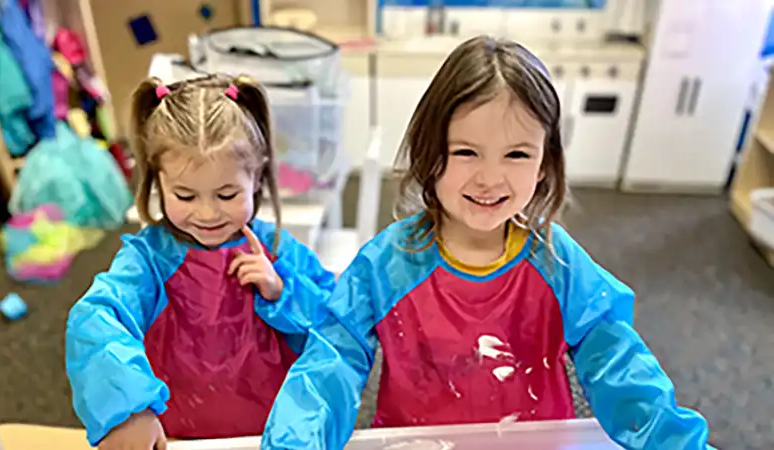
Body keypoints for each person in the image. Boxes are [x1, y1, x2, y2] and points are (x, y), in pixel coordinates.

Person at [261, 36, 712, 450]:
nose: (490, 178)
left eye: (516, 154)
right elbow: (332, 360)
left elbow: (619, 365)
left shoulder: (557, 262)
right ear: (429, 153)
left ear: (543, 165)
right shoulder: (387, 264)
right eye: (465, 152)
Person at [66, 74, 336, 449]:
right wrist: (128, 409)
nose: (207, 214)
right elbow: (96, 319)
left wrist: (282, 291)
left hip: (269, 434)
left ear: (256, 179)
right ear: (158, 182)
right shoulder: (149, 259)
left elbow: (336, 326)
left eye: (226, 194)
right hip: (176, 434)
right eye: (185, 195)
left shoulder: (276, 249)